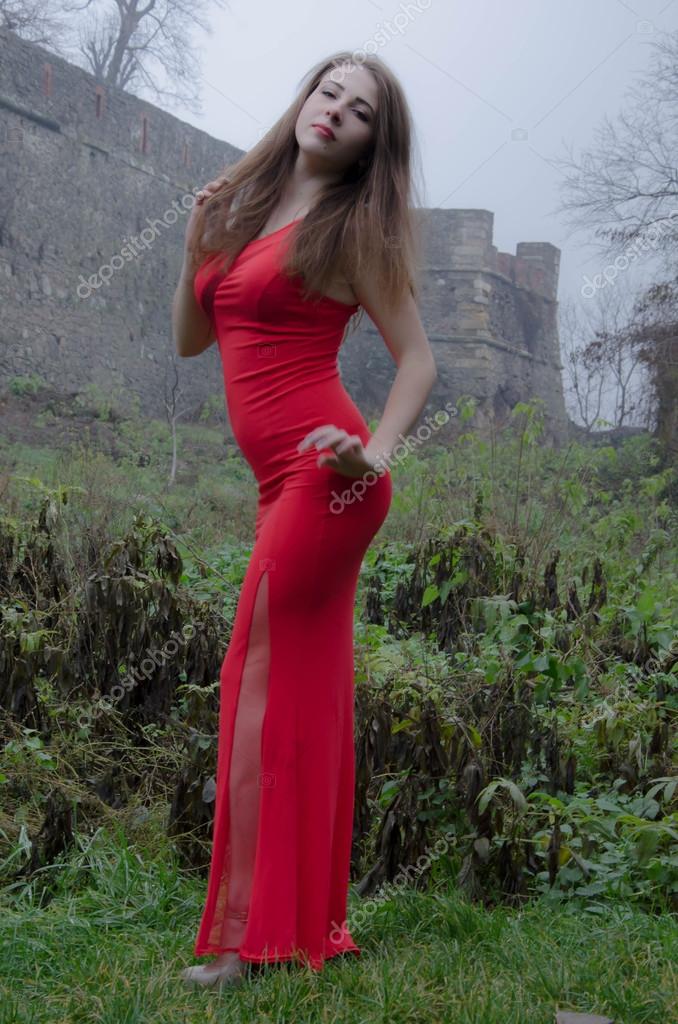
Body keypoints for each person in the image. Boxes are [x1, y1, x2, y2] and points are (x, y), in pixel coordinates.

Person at [173, 50, 437, 989]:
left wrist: (377, 456)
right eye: (328, 93)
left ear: (372, 144)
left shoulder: (351, 228)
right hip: (275, 486)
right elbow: (193, 338)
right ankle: (294, 925)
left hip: (329, 479)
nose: (335, 111)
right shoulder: (247, 212)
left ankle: (252, 939)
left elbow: (417, 363)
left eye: (359, 110)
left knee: (252, 682)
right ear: (304, 102)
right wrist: (198, 246)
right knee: (293, 694)